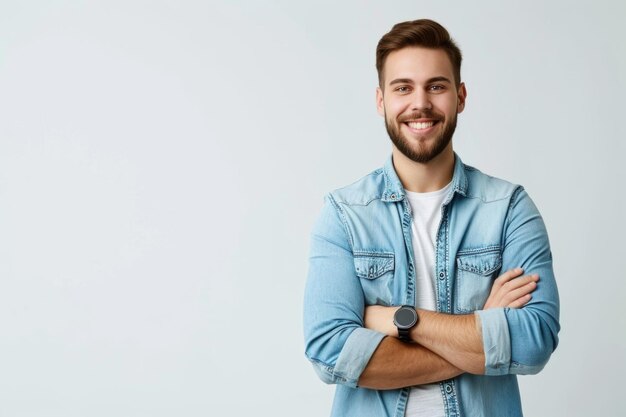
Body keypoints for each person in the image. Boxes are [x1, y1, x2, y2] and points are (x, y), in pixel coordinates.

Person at [303, 19, 560, 417]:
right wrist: (480, 329)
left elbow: (534, 340)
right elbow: (329, 353)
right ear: (380, 101)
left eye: (436, 86)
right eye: (402, 87)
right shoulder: (344, 215)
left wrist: (400, 320)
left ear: (460, 97)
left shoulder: (509, 208)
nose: (419, 103)